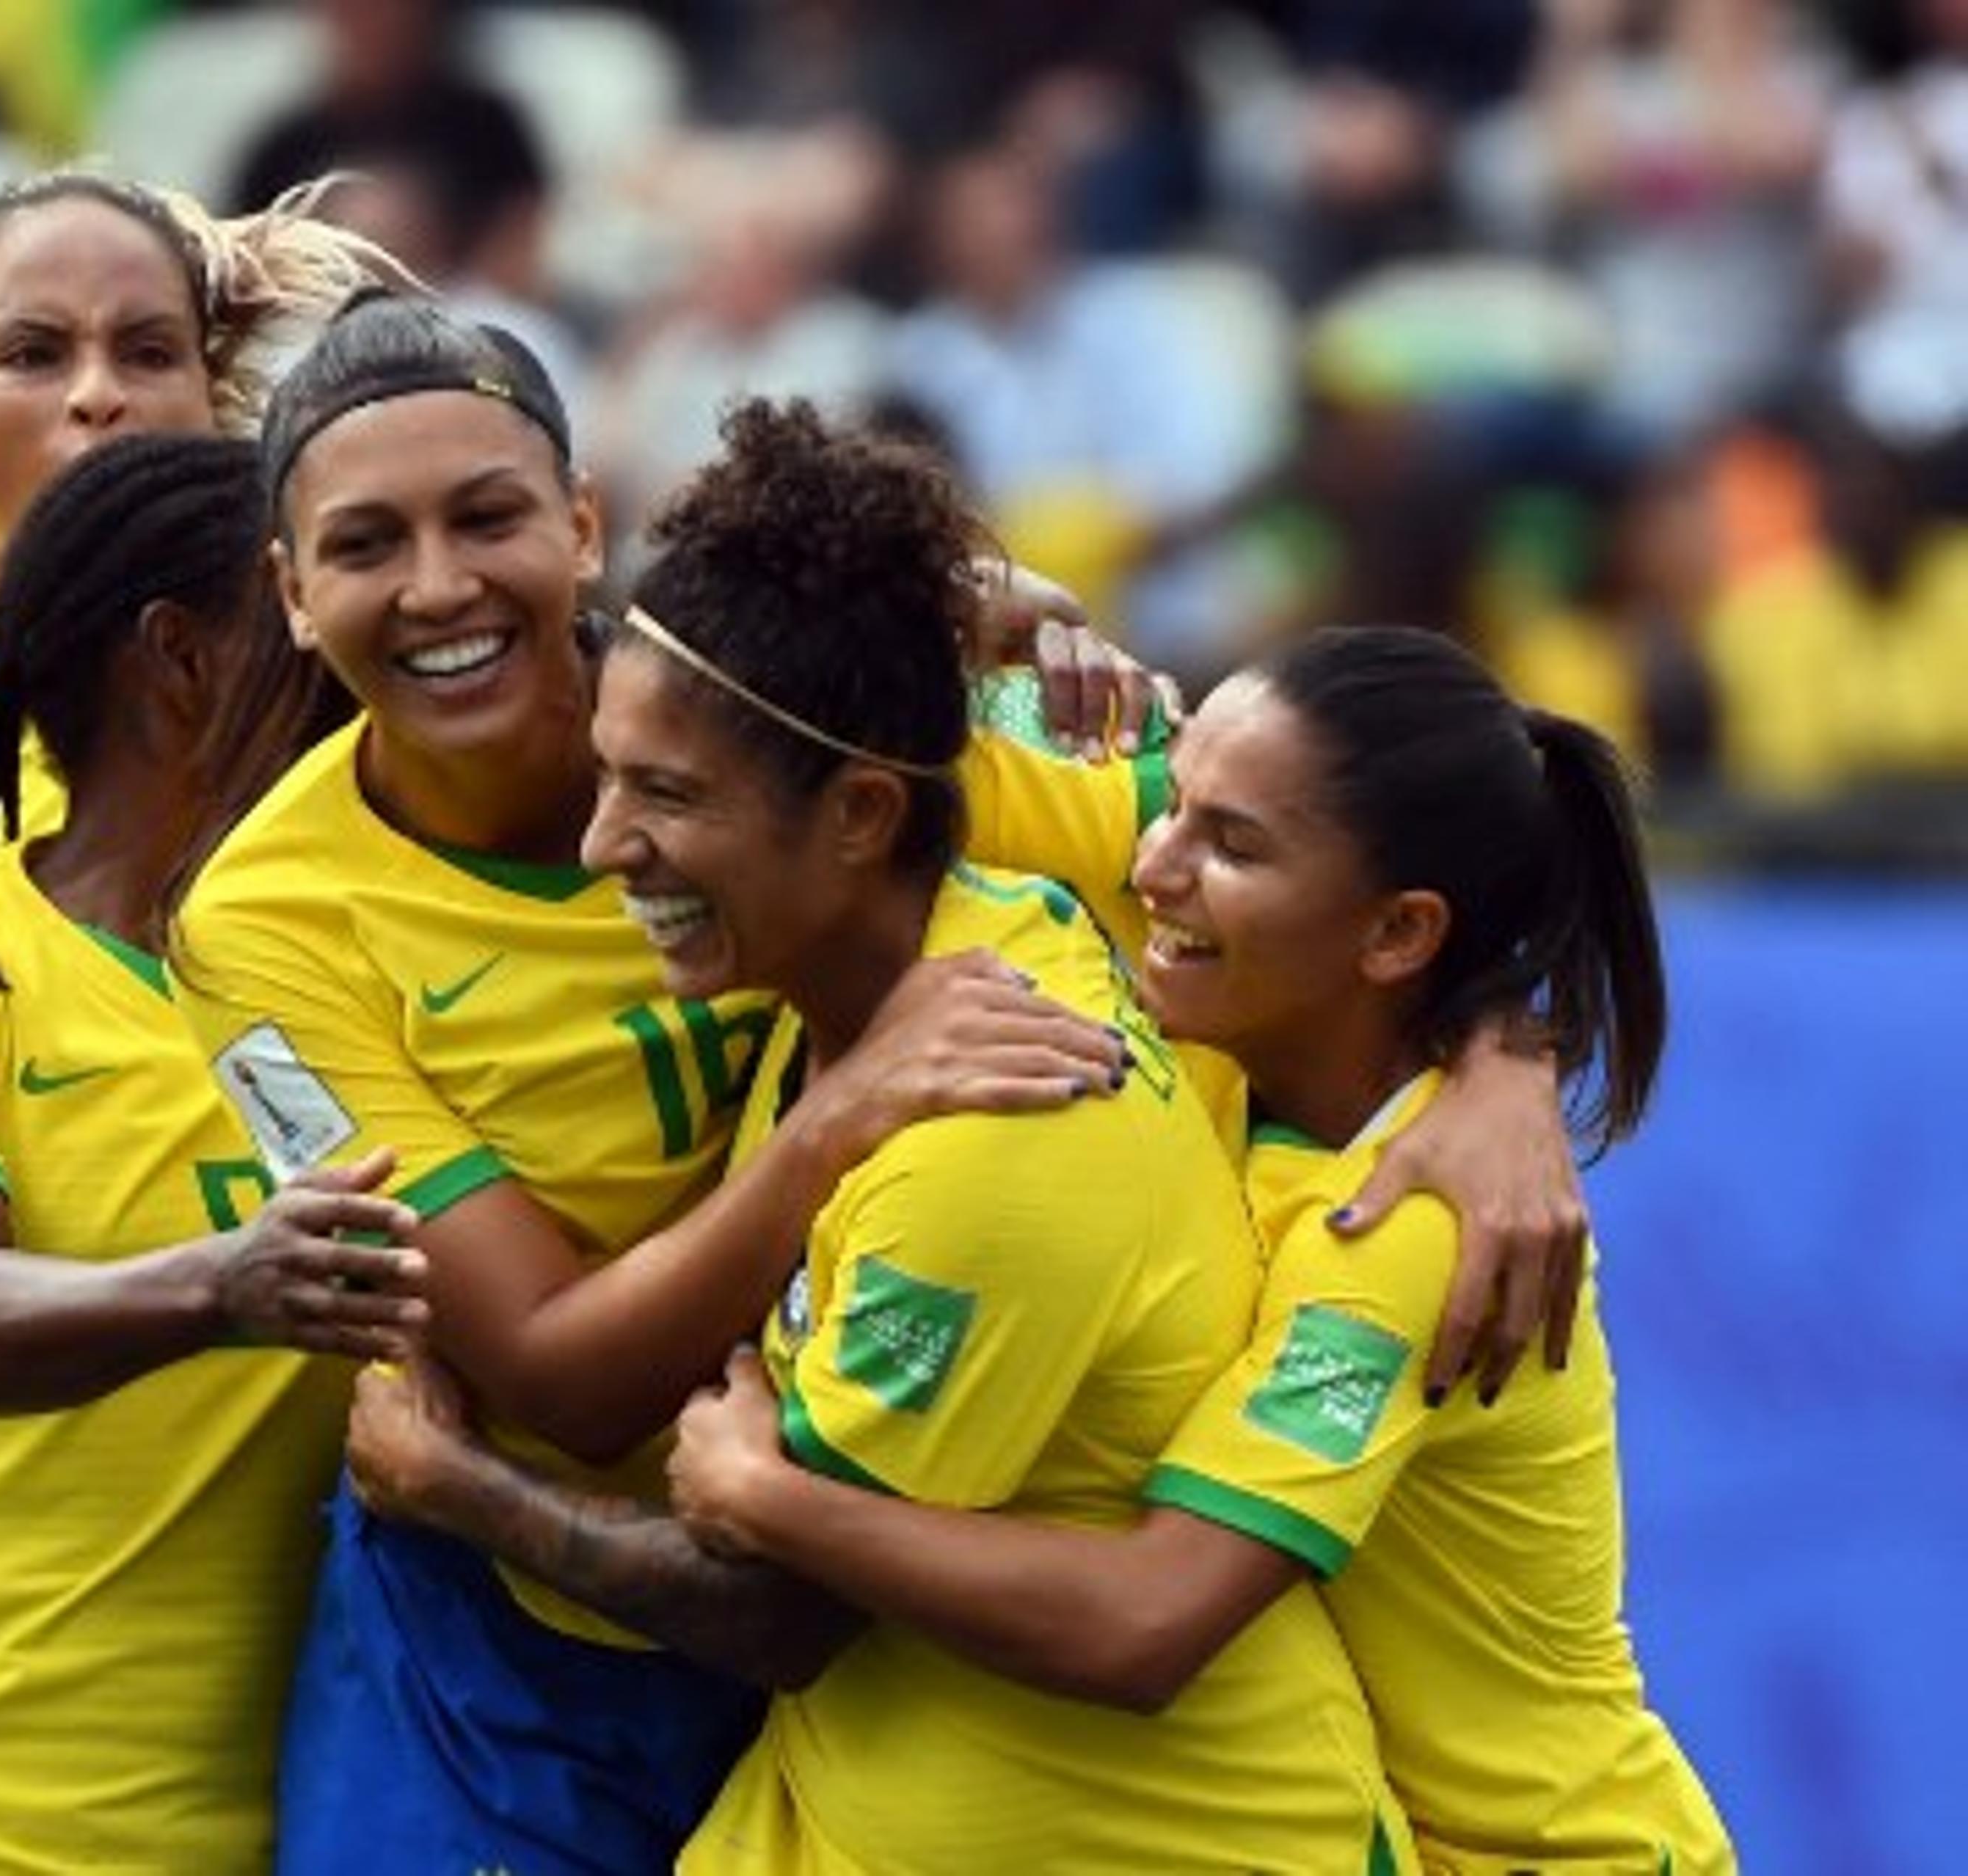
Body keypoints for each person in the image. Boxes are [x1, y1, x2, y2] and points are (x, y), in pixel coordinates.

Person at [172, 293, 1499, 1871]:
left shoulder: (809, 727)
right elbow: (553, 1371)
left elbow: (1396, 846)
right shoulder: (258, 928)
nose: (439, 584)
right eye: (367, 544)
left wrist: (1499, 1067)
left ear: (582, 524)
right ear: (292, 593)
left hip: (798, 1616)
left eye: (489, 517)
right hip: (507, 1639)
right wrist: (827, 1130)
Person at [666, 623, 1735, 1871]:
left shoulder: (1405, 1225)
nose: (1150, 864)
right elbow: (821, 737)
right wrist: (1014, 607)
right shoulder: (1234, 1021)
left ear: (1396, 935)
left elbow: (1145, 1621)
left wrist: (766, 1497)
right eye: (1175, 811)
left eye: (1229, 843)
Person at [0, 434, 427, 1872]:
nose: (348, 656)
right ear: (181, 658)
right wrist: (227, 1287)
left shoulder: (344, 972)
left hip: (256, 1835)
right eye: (300, 617)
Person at [0, 169, 404, 873]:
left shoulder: (338, 685)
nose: (97, 394)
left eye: (148, 353)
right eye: (34, 355)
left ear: (209, 400)